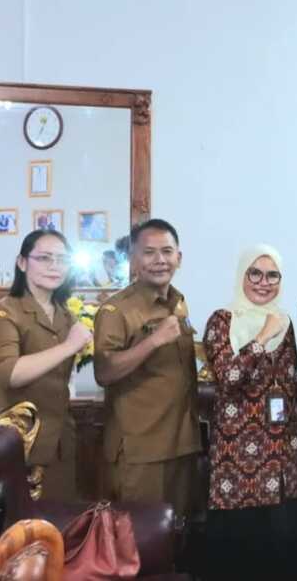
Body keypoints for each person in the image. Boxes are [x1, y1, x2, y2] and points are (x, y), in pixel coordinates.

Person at [203, 245, 297, 581]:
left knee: (284, 555)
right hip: (238, 462)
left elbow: (291, 383)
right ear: (242, 276)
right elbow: (229, 378)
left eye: (273, 275)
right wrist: (263, 337)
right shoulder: (223, 320)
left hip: (282, 457)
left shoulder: (286, 321)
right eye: (255, 273)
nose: (264, 282)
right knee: (242, 559)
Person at [93, 219, 202, 517]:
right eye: (149, 252)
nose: (159, 260)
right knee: (138, 542)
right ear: (133, 259)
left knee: (178, 534)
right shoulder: (117, 311)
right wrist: (152, 342)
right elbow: (103, 371)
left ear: (179, 257)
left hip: (182, 442)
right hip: (141, 450)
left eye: (167, 251)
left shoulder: (178, 302)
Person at [0, 230, 92, 500]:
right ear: (22, 263)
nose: (54, 266)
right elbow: (7, 373)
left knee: (58, 529)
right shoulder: (4, 312)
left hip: (58, 440)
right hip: (16, 442)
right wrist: (68, 346)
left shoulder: (64, 313)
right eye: (44, 258)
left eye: (62, 259)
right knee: (19, 534)